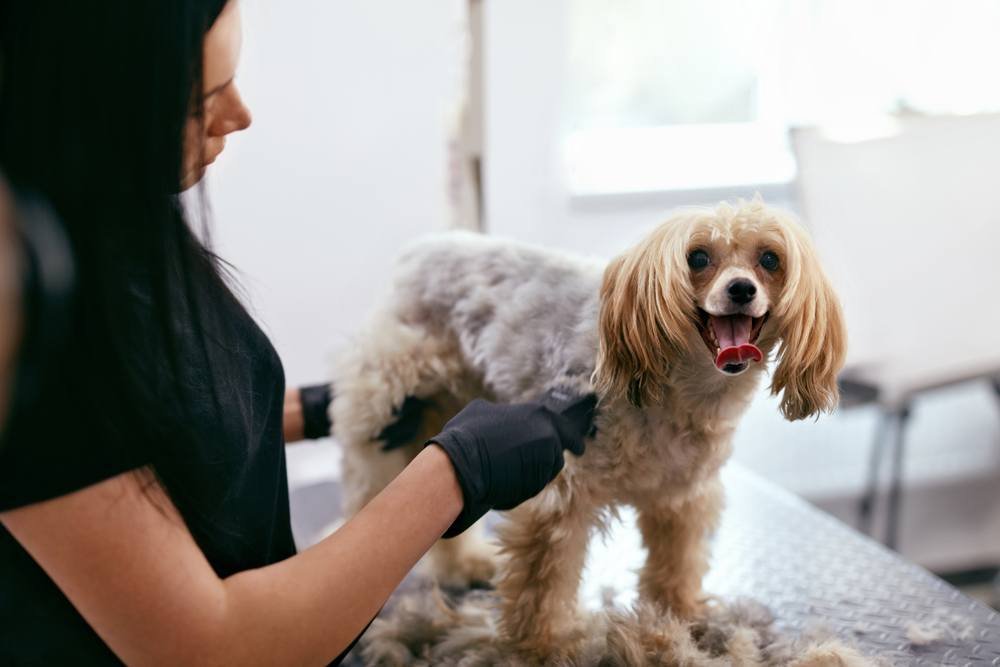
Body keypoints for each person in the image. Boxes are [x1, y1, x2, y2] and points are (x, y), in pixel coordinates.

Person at [0, 2, 595, 665]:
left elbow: (139, 433)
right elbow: (216, 647)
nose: (241, 115)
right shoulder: (24, 328)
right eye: (204, 100)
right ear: (94, 106)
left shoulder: (120, 208)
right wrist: (456, 472)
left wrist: (327, 408)